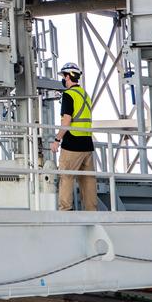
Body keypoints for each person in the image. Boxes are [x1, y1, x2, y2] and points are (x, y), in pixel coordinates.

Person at [50, 62, 97, 211]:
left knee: (66, 177)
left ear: (68, 76)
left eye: (64, 76)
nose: (63, 79)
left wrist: (57, 139)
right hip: (87, 144)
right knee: (88, 180)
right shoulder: (84, 94)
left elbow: (67, 120)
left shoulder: (68, 95)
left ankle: (65, 211)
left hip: (72, 143)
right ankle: (91, 211)